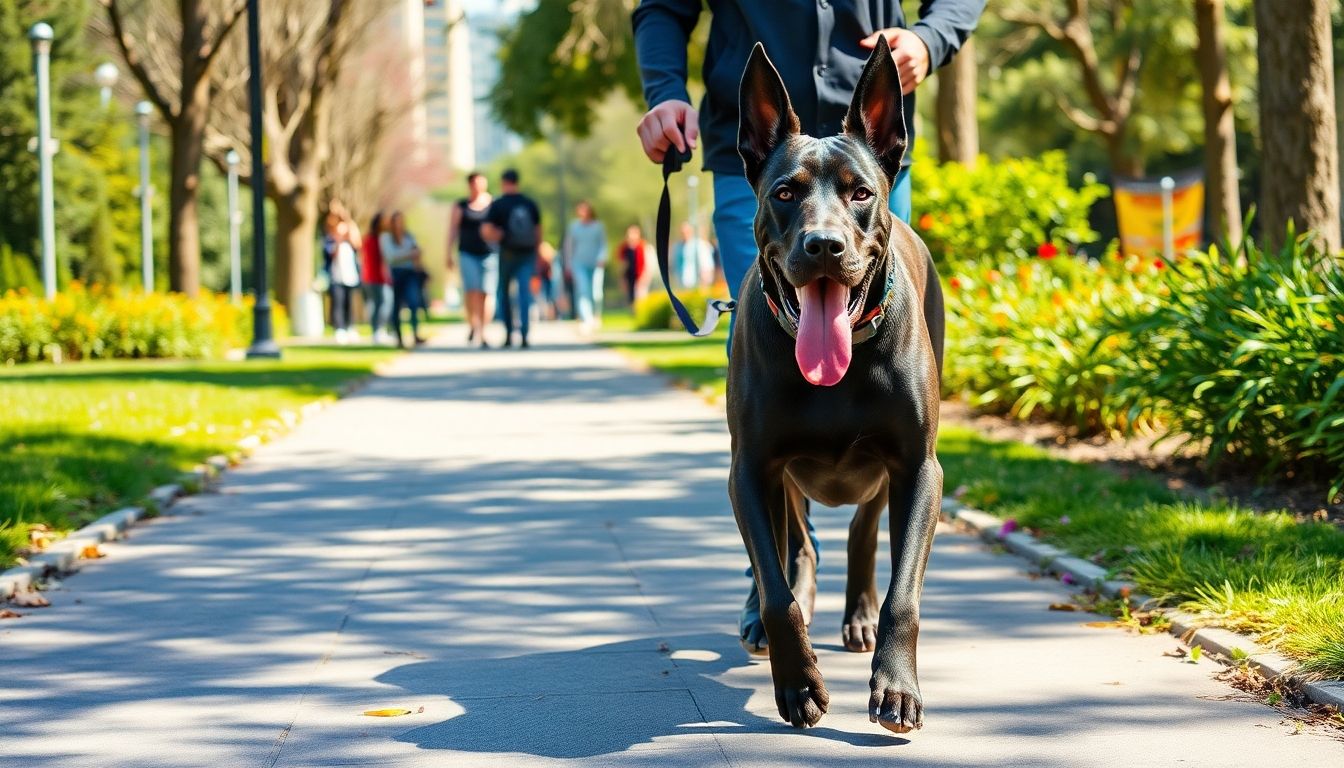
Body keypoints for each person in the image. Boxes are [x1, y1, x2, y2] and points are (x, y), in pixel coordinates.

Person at [632, 0, 985, 646]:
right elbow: (662, 6)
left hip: (871, 146)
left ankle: (869, 571)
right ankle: (784, 569)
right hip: (765, 155)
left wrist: (932, 38)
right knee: (771, 354)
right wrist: (664, 91)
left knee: (892, 385)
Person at [481, 168, 542, 349]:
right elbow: (538, 230)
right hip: (527, 253)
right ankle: (524, 334)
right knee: (524, 294)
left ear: (503, 182)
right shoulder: (529, 203)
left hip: (507, 253)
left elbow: (487, 230)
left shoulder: (499, 204)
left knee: (504, 293)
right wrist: (537, 252)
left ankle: (508, 333)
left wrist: (497, 236)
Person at [446, 171, 496, 348]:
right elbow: (452, 229)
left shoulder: (493, 204)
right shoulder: (461, 205)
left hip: (490, 254)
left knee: (486, 293)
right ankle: (473, 325)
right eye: (475, 183)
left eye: (481, 183)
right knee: (471, 291)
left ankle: (483, 330)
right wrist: (448, 253)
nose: (478, 186)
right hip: (467, 253)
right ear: (469, 185)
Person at [380, 211, 426, 348]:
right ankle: (399, 337)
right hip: (395, 273)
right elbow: (391, 257)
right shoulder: (386, 238)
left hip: (410, 272)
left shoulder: (409, 236)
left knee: (413, 302)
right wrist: (409, 254)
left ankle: (415, 333)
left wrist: (415, 257)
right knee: (397, 306)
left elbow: (417, 251)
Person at [563, 200, 608, 334]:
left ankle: (596, 316)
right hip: (579, 263)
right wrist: (568, 265)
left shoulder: (598, 226)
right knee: (582, 291)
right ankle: (586, 319)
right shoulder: (574, 227)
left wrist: (602, 257)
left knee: (596, 292)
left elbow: (603, 244)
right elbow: (569, 247)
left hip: (595, 263)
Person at [321, 206, 362, 345]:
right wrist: (338, 239)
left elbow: (358, 242)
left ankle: (350, 327)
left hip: (349, 276)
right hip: (336, 276)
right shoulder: (330, 240)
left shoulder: (349, 243)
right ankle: (339, 329)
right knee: (337, 303)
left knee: (348, 303)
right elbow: (330, 255)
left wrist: (346, 219)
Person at [361, 212, 394, 346]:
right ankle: (377, 331)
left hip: (374, 277)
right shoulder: (373, 240)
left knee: (380, 305)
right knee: (382, 304)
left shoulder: (378, 239)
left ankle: (379, 331)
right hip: (375, 277)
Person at [674, 220, 714, 290]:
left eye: (686, 232)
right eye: (682, 233)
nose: (684, 234)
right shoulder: (678, 247)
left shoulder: (699, 245)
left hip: (698, 284)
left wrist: (705, 283)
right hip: (683, 285)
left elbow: (707, 265)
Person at [618, 224, 650, 306]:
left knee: (641, 296)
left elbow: (647, 264)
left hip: (640, 275)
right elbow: (622, 264)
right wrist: (622, 278)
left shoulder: (643, 247)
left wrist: (644, 277)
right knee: (631, 297)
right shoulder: (624, 248)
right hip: (629, 276)